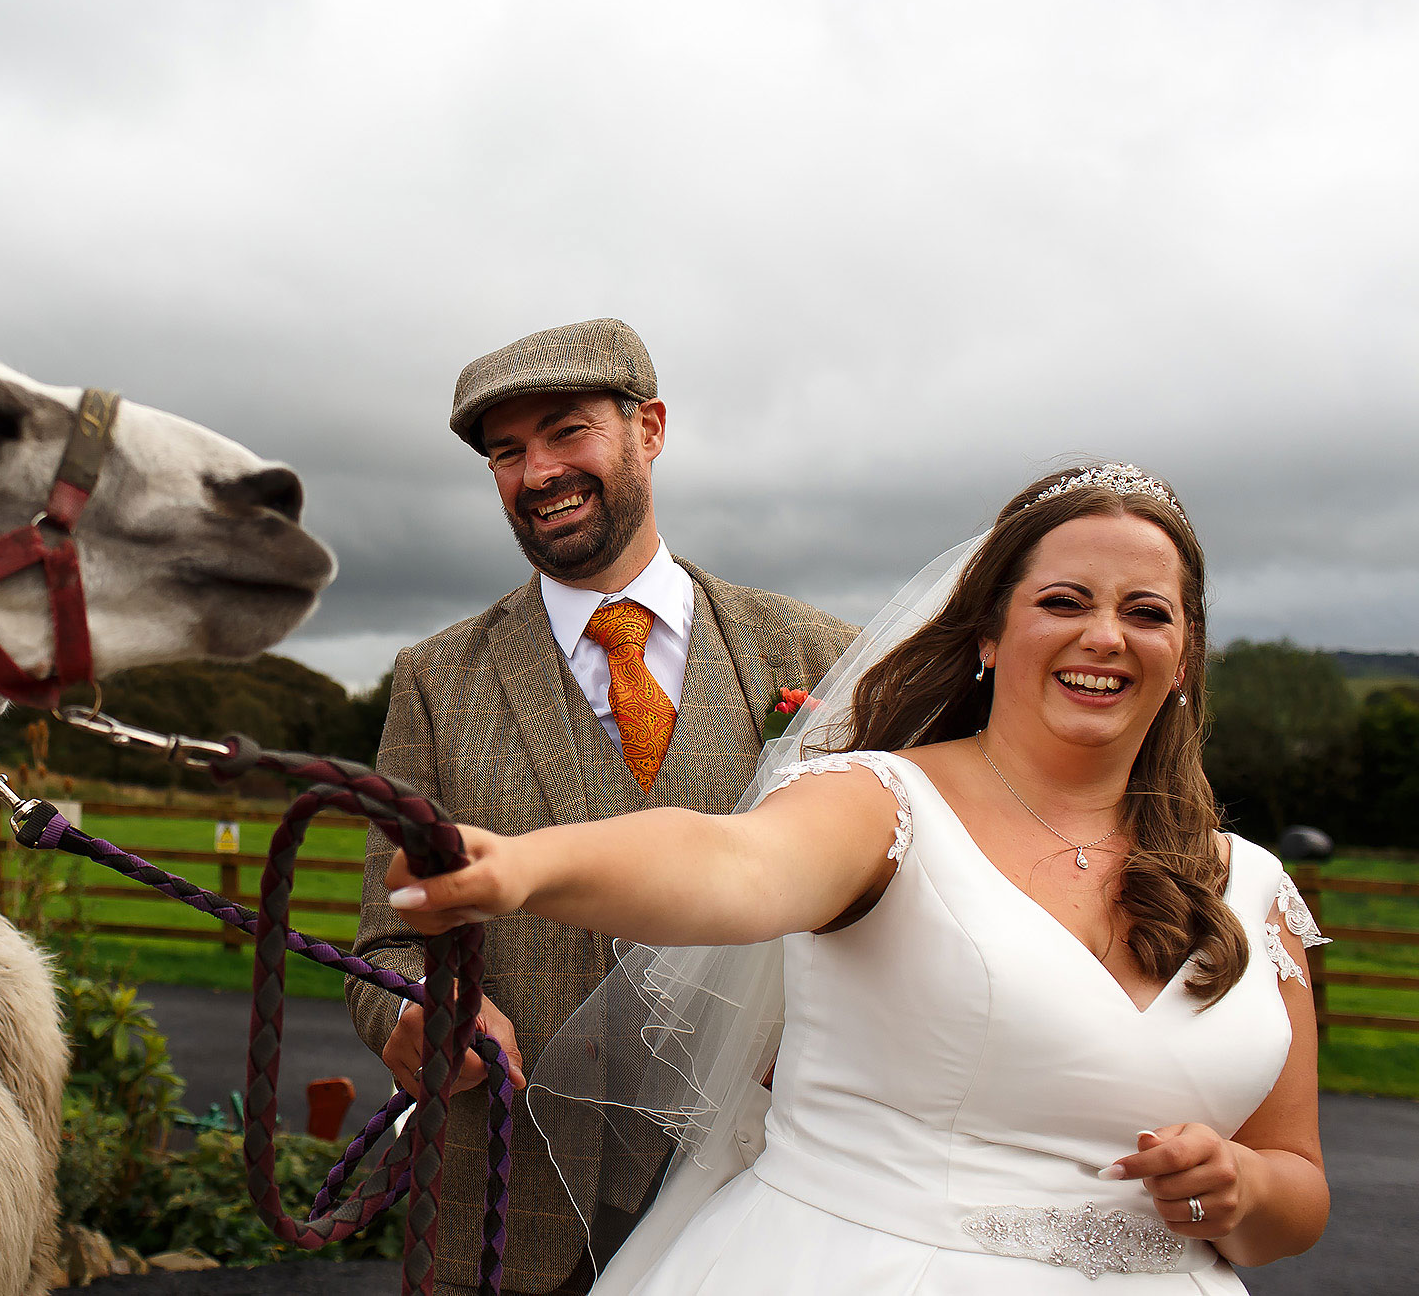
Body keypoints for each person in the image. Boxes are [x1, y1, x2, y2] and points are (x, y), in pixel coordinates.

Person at [386, 462, 1330, 1292]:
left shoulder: (1253, 886)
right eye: (1064, 601)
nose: (1105, 637)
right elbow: (733, 862)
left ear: (1184, 656)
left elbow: (1299, 1185)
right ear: (991, 633)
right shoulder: (884, 805)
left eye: (1147, 612)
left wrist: (1240, 1191)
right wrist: (519, 865)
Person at [347, 317, 855, 1296]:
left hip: (764, 1206)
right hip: (505, 1215)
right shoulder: (432, 680)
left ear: (648, 429)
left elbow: (883, 914)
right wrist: (411, 1015)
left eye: (564, 432)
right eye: (506, 452)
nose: (535, 471)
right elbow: (383, 947)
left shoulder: (813, 655)